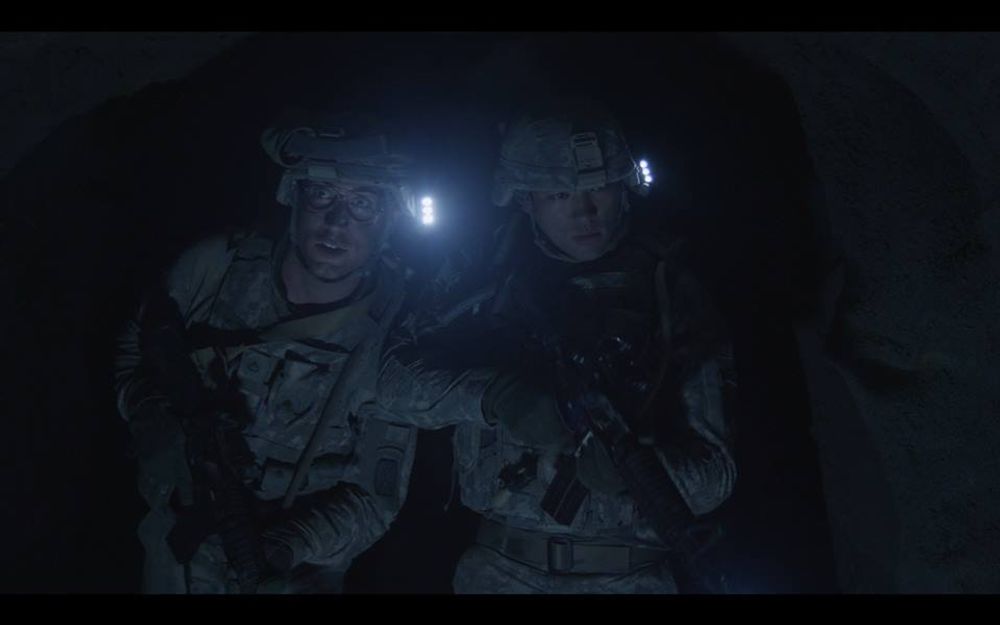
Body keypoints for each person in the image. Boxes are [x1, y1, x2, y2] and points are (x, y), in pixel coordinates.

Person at [377, 98, 736, 593]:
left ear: (624, 190)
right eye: (560, 195)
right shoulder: (480, 278)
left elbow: (715, 476)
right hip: (502, 570)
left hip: (631, 575)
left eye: (599, 189)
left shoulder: (670, 293)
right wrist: (494, 396)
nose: (585, 212)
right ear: (526, 199)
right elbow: (388, 384)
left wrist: (638, 473)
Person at [115, 109, 419, 593]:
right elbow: (141, 344)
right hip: (182, 554)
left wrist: (287, 545)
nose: (337, 221)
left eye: (363, 203)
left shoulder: (394, 337)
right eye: (322, 195)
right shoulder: (215, 269)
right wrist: (149, 413)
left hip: (295, 571)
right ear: (293, 198)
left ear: (389, 224)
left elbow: (375, 501)